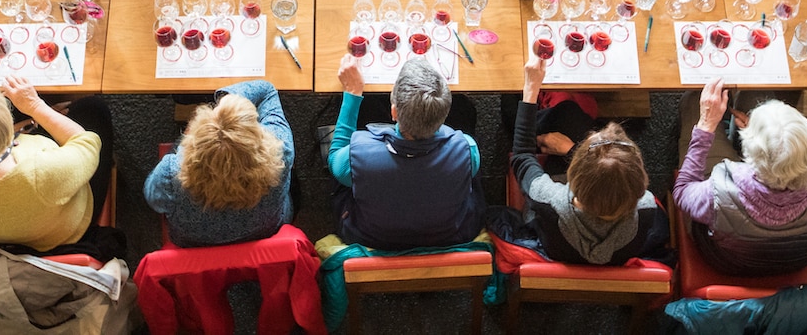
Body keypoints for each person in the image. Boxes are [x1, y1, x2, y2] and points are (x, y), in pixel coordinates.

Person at [498, 54, 668, 264]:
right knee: (568, 112)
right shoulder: (646, 207)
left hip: (552, 232)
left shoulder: (550, 199)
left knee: (540, 109)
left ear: (573, 175)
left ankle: (528, 108)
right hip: (583, 245)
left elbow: (522, 157)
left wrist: (531, 90)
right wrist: (570, 149)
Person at [673, 79, 807, 275]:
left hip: (727, 260)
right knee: (755, 91)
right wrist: (767, 142)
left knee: (694, 100)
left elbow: (682, 191)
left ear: (751, 155)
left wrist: (705, 126)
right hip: (790, 262)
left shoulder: (717, 194)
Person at [0, 75, 114, 254]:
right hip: (60, 236)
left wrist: (31, 122)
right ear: (7, 129)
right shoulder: (41, 172)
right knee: (94, 108)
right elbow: (88, 143)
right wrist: (37, 108)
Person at [329, 53, 484, 251]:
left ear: (393, 112)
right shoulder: (468, 149)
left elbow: (334, 157)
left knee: (341, 175)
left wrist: (352, 93)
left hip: (372, 237)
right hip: (449, 234)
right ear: (445, 116)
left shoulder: (357, 153)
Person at [145, 80, 294, 247]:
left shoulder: (172, 172)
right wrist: (226, 97)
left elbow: (153, 199)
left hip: (194, 243)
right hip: (264, 231)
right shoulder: (281, 149)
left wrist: (182, 146)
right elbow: (267, 90)